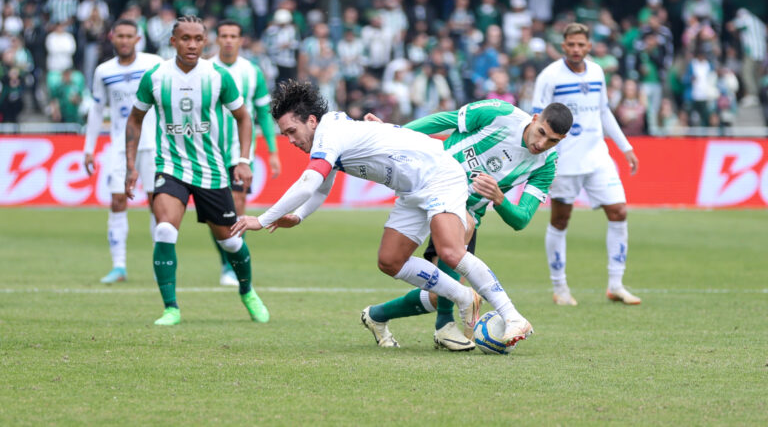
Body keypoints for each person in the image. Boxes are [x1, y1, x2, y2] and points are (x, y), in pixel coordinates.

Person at [231, 80, 534, 351]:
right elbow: (322, 188)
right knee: (390, 261)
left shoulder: (330, 132)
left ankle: (513, 316)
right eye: (285, 135)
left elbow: (309, 181)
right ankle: (464, 297)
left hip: (439, 174)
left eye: (291, 132)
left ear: (311, 121)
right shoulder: (329, 133)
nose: (291, 141)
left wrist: (263, 219)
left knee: (450, 251)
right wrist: (296, 217)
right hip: (412, 189)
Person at [362, 100, 573, 351]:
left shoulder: (547, 164)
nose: (542, 144)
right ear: (535, 118)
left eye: (553, 141)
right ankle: (446, 325)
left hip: (464, 208)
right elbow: (444, 120)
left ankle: (377, 315)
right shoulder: (500, 114)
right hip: (431, 179)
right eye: (541, 133)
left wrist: (499, 198)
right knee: (407, 256)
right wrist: (393, 132)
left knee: (438, 293)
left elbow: (521, 219)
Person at [125, 15, 268, 326]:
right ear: (173, 41)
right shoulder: (156, 77)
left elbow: (245, 118)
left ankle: (247, 291)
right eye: (185, 38)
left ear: (206, 42)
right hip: (170, 166)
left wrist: (243, 160)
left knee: (230, 242)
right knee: (164, 229)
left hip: (212, 170)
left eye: (197, 39)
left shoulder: (217, 77)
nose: (191, 44)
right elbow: (135, 119)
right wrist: (131, 166)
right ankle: (171, 308)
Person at [532, 22, 641, 307]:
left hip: (597, 157)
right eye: (571, 45)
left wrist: (625, 147)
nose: (577, 49)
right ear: (563, 46)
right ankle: (560, 289)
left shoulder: (597, 72)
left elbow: (603, 111)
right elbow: (536, 117)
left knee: (618, 211)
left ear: (589, 46)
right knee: (560, 219)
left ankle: (616, 285)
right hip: (564, 161)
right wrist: (539, 154)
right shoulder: (549, 77)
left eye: (582, 45)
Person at [84, 19, 162, 284]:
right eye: (121, 36)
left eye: (130, 36)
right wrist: (89, 148)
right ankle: (119, 267)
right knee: (117, 201)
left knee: (157, 204)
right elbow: (96, 110)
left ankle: (159, 264)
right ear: (112, 38)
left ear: (138, 39)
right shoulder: (103, 71)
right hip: (120, 145)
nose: (125, 40)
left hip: (153, 143)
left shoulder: (153, 63)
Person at [211, 20, 281, 287]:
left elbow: (263, 113)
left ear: (241, 40)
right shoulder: (206, 69)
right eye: (224, 35)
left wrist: (273, 151)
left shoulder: (252, 72)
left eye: (233, 36)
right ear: (217, 39)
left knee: (238, 205)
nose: (228, 40)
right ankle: (225, 261)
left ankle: (232, 266)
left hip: (240, 153)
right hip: (208, 152)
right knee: (215, 215)